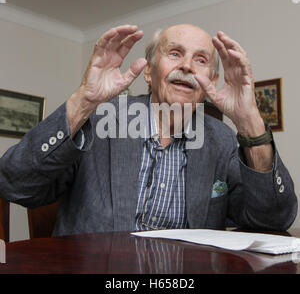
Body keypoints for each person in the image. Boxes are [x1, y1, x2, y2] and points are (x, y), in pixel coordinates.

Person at [0, 24, 297, 236]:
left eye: (201, 60)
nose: (188, 67)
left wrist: (249, 121)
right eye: (174, 53)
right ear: (149, 73)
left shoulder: (221, 139)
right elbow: (14, 184)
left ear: (213, 79)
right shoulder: (100, 120)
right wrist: (84, 100)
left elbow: (273, 219)